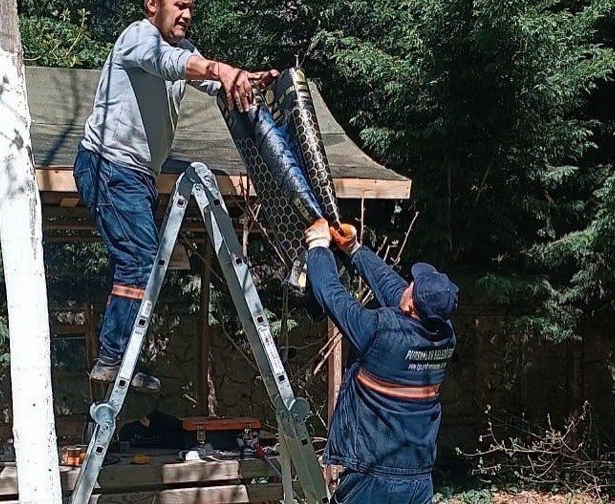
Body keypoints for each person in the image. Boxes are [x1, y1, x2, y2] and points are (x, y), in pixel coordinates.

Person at [74, 0, 278, 392]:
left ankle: (120, 358)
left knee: (142, 264)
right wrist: (221, 69)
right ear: (152, 5)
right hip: (108, 165)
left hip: (136, 175)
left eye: (191, 8)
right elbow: (170, 65)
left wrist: (245, 81)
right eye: (179, 5)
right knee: (140, 262)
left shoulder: (184, 50)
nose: (186, 14)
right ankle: (114, 358)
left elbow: (209, 80)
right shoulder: (138, 37)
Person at [304, 220, 459, 503]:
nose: (407, 285)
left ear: (412, 305)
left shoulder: (380, 333)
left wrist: (317, 246)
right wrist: (354, 249)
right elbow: (394, 289)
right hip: (418, 479)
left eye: (412, 285)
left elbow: (332, 295)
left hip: (374, 479)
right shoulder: (445, 336)